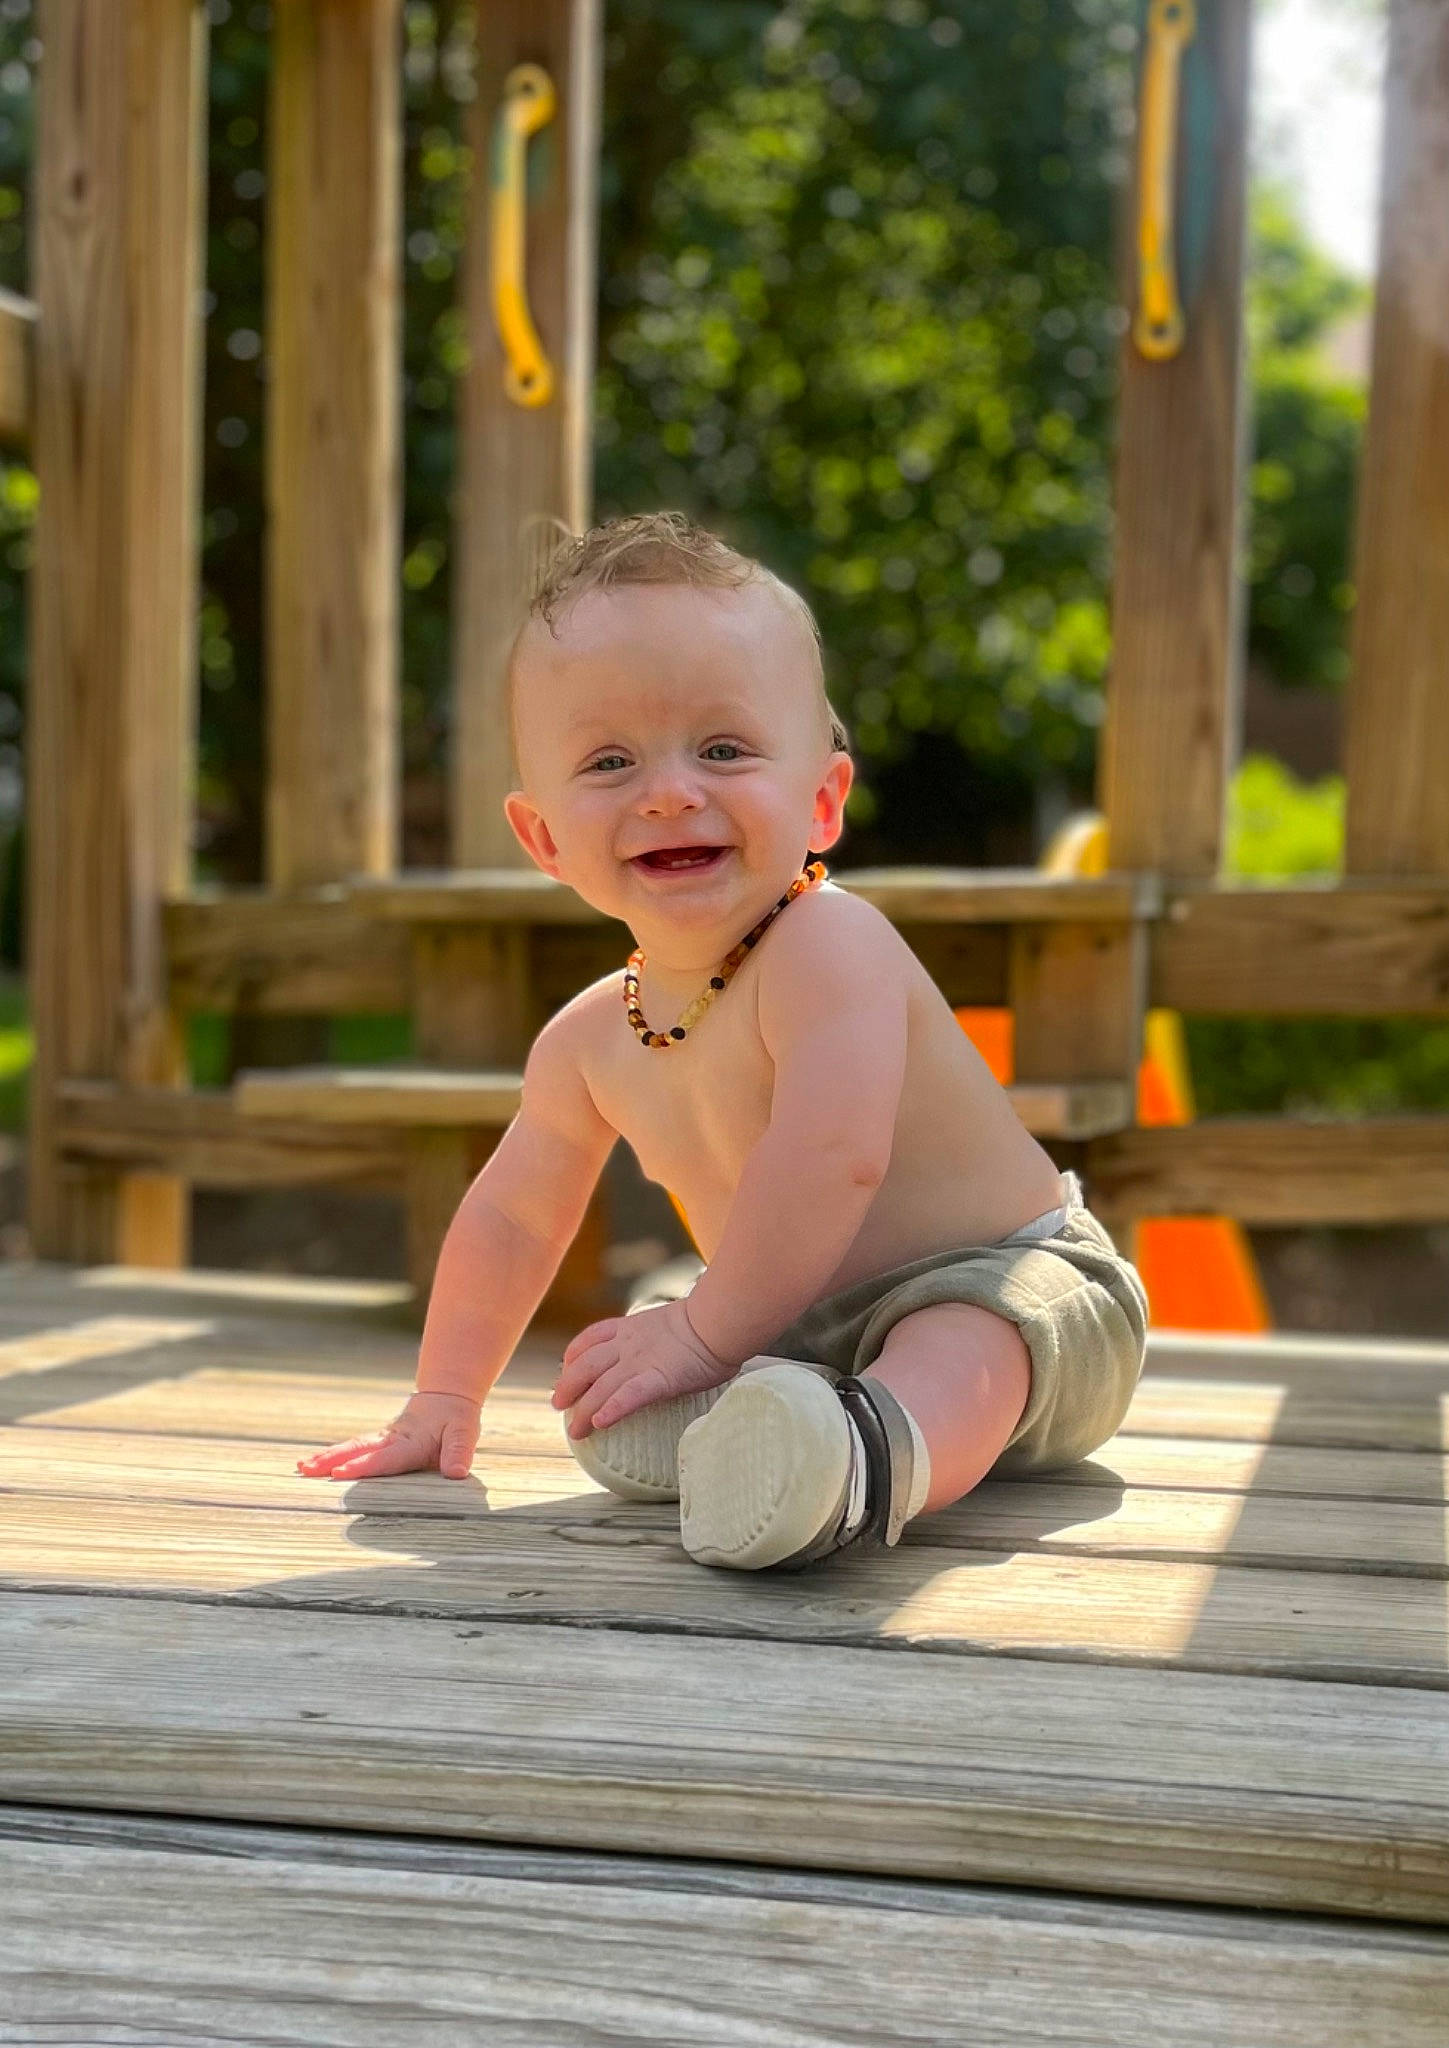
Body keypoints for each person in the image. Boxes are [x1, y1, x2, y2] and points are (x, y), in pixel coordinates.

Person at [297, 512, 1148, 1571]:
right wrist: (444, 1395)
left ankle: (853, 1459)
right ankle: (761, 1427)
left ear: (824, 798)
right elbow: (514, 1215)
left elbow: (838, 1158)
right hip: (797, 1318)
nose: (668, 788)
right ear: (544, 837)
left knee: (960, 1335)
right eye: (609, 760)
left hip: (1020, 1288)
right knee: (638, 1338)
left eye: (724, 748)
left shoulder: (827, 943)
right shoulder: (586, 1040)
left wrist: (704, 1335)